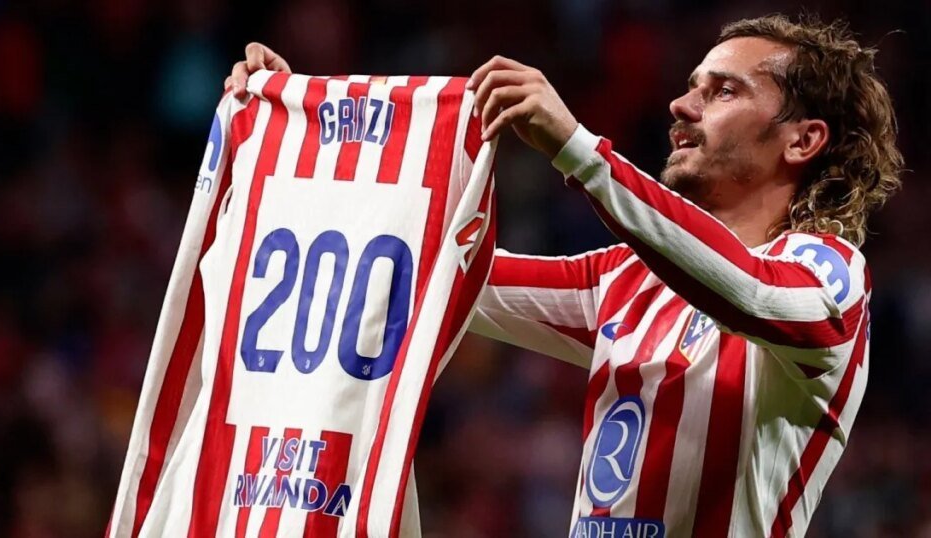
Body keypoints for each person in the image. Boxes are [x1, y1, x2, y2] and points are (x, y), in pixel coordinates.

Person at [225, 14, 902, 537]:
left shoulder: (831, 277)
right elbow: (419, 268)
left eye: (723, 90)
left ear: (802, 140)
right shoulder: (623, 282)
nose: (681, 105)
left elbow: (751, 291)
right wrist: (292, 142)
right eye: (691, 85)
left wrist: (578, 150)